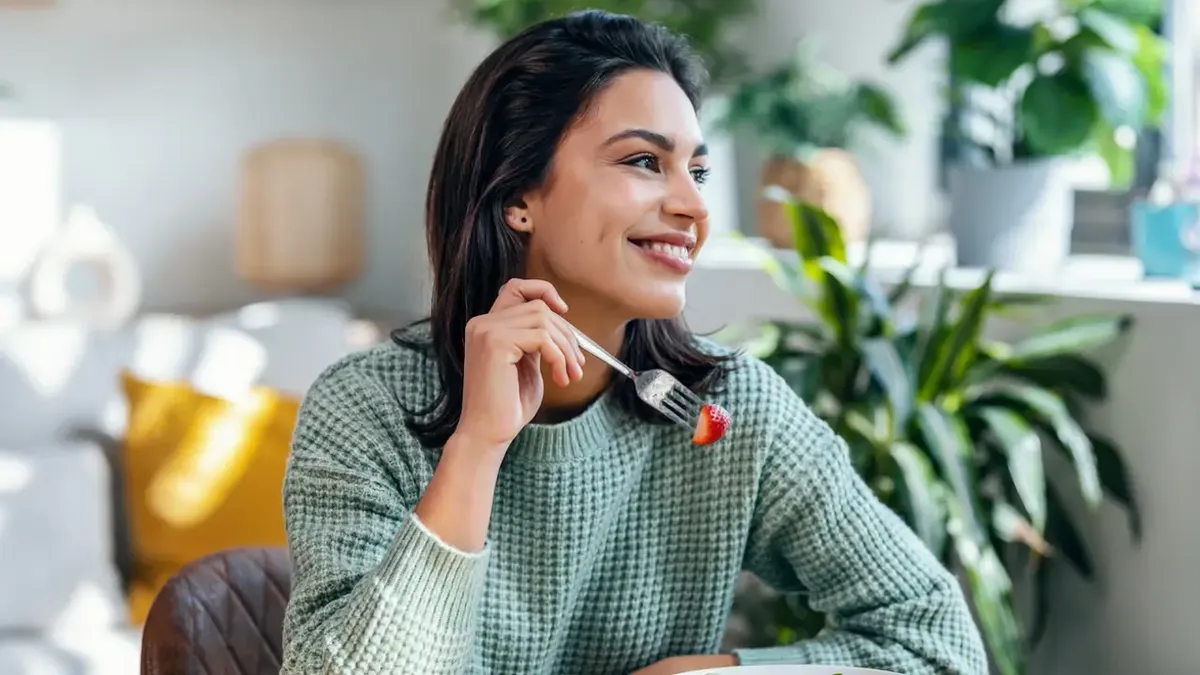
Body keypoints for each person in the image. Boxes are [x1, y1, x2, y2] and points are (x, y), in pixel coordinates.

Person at [279, 10, 987, 675]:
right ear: (517, 196)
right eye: (645, 162)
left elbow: (938, 640)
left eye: (697, 171)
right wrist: (477, 446)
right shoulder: (365, 408)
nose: (693, 206)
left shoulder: (729, 410)